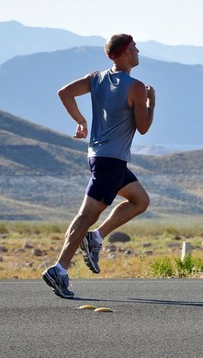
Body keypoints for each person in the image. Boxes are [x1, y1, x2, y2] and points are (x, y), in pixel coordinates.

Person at [42, 34, 155, 298]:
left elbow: (64, 92)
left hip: (100, 157)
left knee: (140, 201)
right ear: (126, 53)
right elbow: (144, 127)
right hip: (111, 161)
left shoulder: (96, 78)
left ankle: (96, 237)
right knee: (86, 216)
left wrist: (81, 121)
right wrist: (152, 102)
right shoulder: (136, 87)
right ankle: (59, 269)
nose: (139, 52)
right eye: (135, 48)